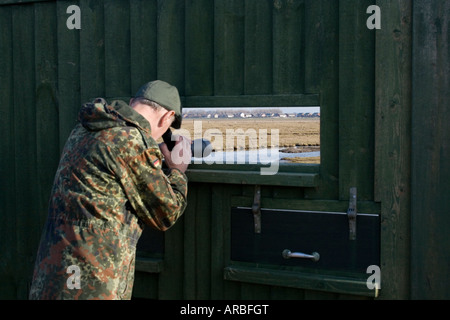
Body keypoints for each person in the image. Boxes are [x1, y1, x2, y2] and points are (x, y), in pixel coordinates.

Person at [29, 80, 191, 300]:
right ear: (166, 117)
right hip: (90, 282)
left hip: (53, 272)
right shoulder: (131, 140)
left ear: (133, 102)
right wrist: (177, 170)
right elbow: (166, 213)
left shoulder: (85, 129)